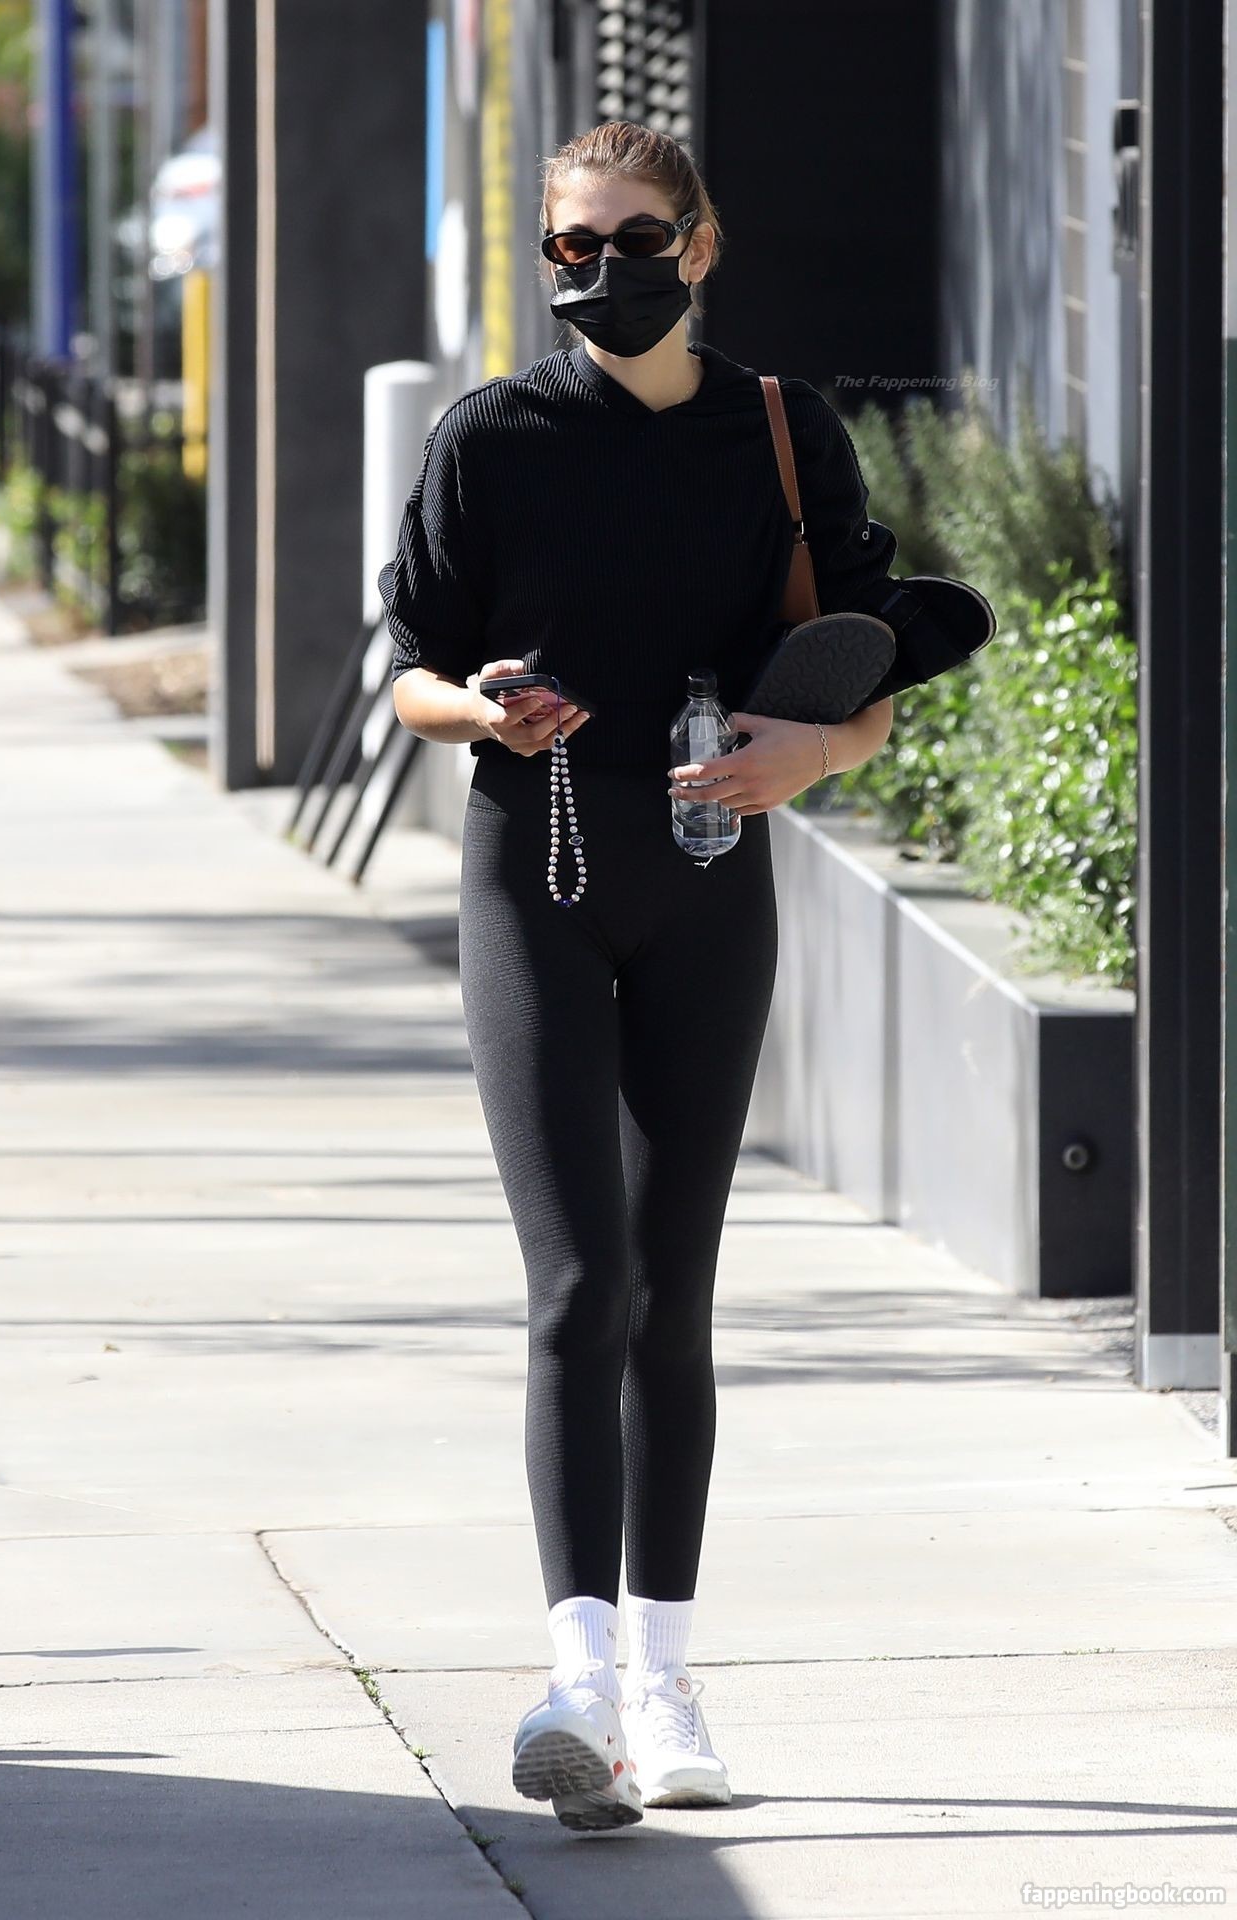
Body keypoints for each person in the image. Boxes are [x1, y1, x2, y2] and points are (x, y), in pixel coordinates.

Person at [386, 119, 902, 1835]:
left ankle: (670, 1685)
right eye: (574, 245)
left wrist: (803, 758)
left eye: (635, 239)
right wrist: (484, 705)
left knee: (672, 1291)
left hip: (706, 874)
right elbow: (412, 671)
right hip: (532, 870)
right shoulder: (493, 437)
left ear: (701, 243)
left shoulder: (783, 434)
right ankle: (581, 1685)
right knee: (577, 1282)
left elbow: (864, 680)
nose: (604, 270)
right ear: (548, 254)